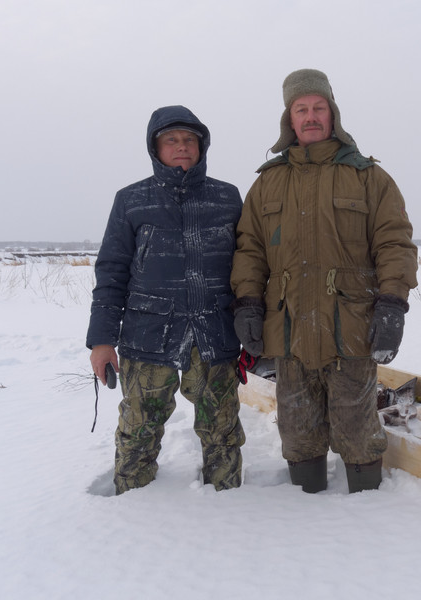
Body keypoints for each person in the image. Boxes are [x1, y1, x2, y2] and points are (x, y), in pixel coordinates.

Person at [230, 69, 418, 493]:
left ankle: (367, 512)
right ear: (289, 119)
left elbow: (394, 244)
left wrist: (392, 304)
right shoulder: (267, 184)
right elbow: (250, 251)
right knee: (297, 430)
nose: (311, 116)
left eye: (318, 107)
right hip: (289, 329)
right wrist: (247, 304)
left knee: (358, 429)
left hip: (350, 326)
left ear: (332, 113)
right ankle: (305, 511)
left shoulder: (369, 177)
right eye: (301, 109)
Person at [86, 105, 245, 495]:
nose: (181, 147)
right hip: (148, 336)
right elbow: (111, 273)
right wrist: (102, 341)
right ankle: (131, 503)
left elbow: (249, 267)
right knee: (138, 429)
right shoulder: (131, 200)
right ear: (155, 148)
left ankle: (231, 508)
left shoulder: (227, 197)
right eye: (171, 139)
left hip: (214, 335)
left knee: (222, 430)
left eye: (189, 139)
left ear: (202, 146)